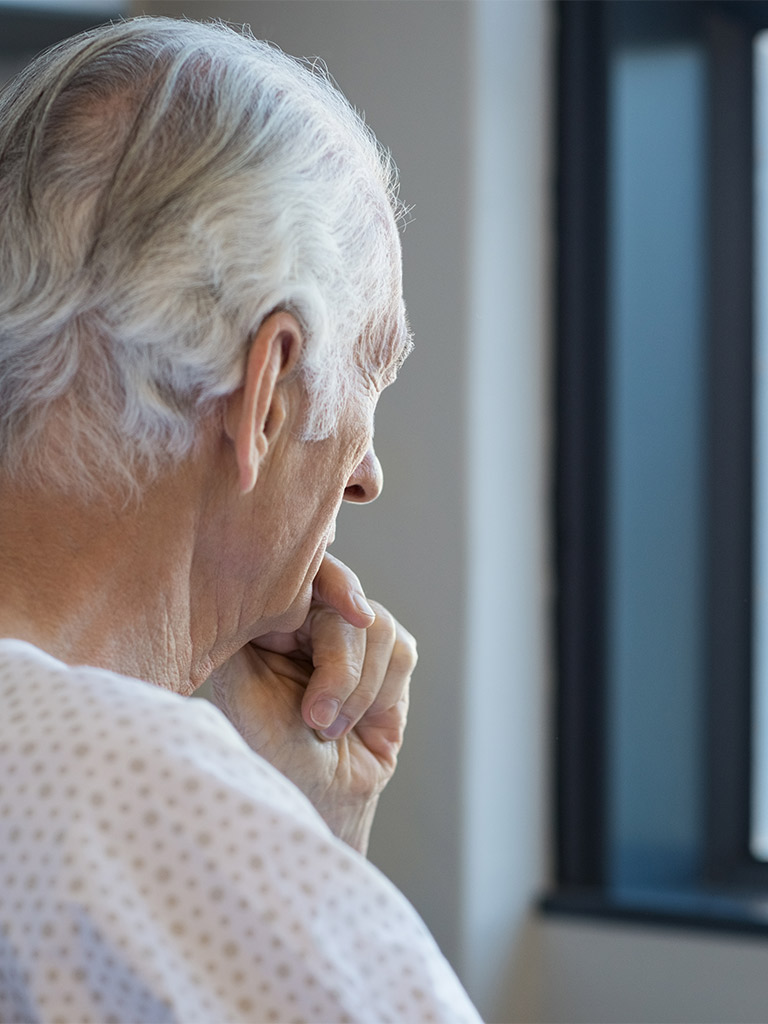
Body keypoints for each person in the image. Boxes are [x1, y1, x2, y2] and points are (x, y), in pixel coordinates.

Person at [0, 15, 481, 1024]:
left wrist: (291, 820)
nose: (369, 475)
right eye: (371, 375)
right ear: (266, 388)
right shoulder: (146, 815)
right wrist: (281, 849)